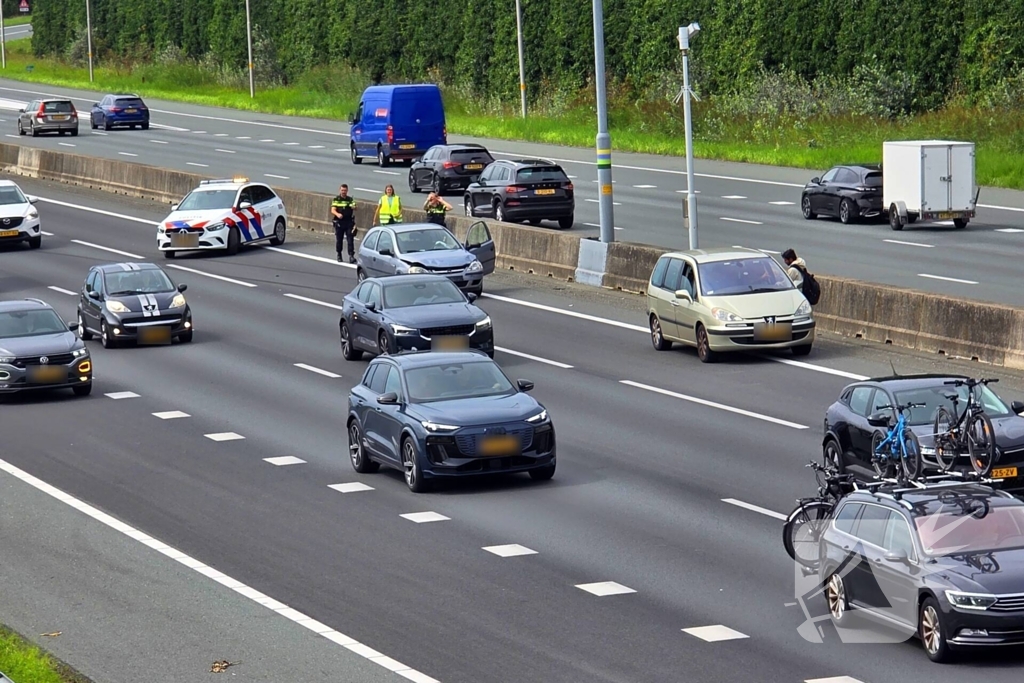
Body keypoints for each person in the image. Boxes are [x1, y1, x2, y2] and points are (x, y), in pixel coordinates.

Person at [330, 184, 357, 263]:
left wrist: (354, 207)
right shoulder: (336, 199)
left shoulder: (350, 199)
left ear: (347, 191)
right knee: (339, 239)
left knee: (350, 239)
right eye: (342, 190)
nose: (343, 192)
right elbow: (332, 210)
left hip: (348, 222)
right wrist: (338, 214)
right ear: (340, 190)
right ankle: (339, 254)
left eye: (345, 190)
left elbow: (355, 207)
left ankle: (351, 256)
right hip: (339, 222)